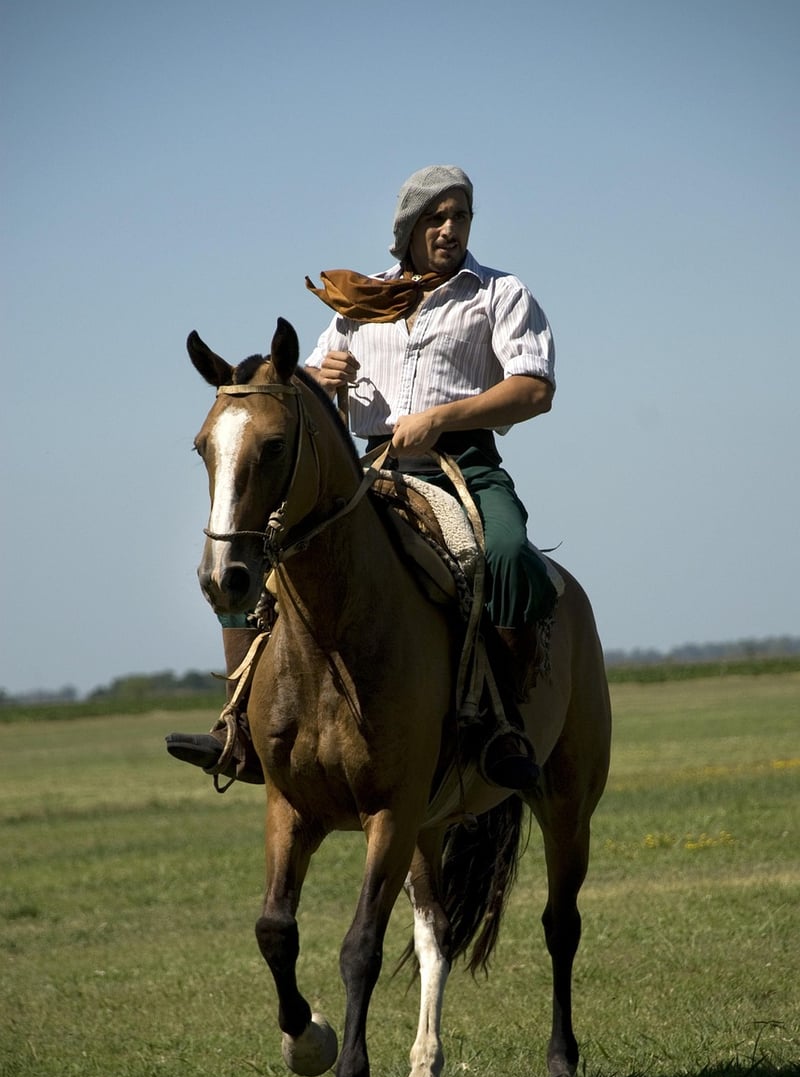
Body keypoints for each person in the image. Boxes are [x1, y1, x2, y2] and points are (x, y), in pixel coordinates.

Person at [167, 165, 556, 790]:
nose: (450, 228)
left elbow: (534, 389)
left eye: (460, 216)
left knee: (507, 552)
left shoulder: (499, 294)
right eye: (436, 217)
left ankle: (502, 725)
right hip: (368, 472)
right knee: (257, 549)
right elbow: (296, 397)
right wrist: (321, 380)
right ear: (408, 228)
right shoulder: (359, 302)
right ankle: (238, 727)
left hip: (464, 464)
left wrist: (440, 418)